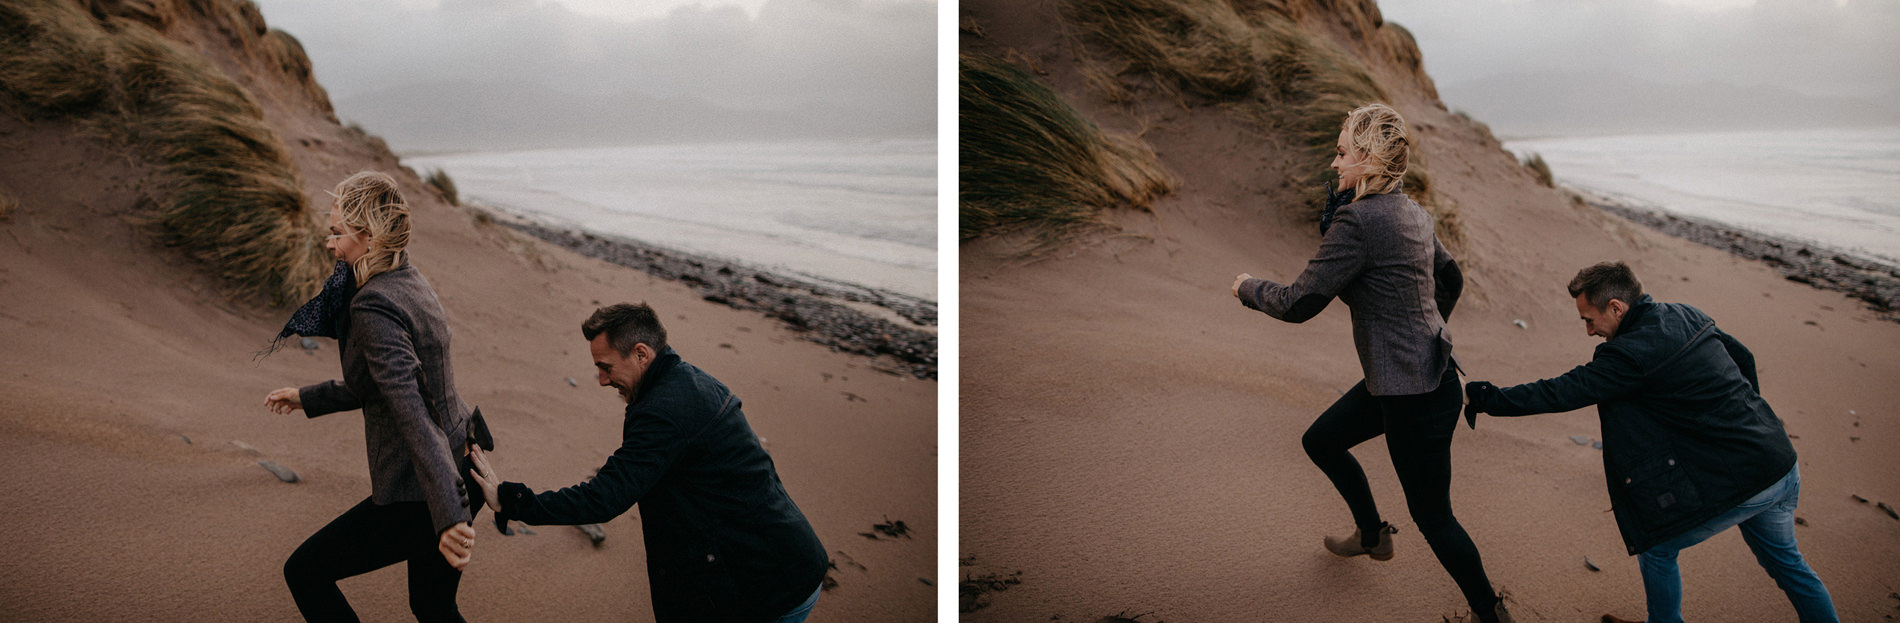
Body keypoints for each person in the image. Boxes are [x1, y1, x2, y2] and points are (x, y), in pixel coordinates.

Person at [1230, 103, 1510, 622]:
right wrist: (1420, 332)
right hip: (1417, 379)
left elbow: (1298, 303)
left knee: (1434, 517)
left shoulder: (1358, 221)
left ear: (1371, 158)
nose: (1334, 164)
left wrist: (1246, 287)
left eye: (1342, 153)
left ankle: (1491, 616)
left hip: (1414, 399)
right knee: (1321, 441)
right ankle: (1371, 535)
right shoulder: (1412, 212)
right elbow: (1451, 281)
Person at [1463, 262, 1838, 623]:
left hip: (1749, 480)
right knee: (1789, 565)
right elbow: (1744, 358)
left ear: (1616, 306)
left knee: (1657, 546)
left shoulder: (1630, 354)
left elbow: (1563, 392)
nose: (1589, 331)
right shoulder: (1685, 313)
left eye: (1589, 320)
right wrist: (1746, 421)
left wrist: (1486, 397)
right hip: (1780, 460)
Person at [467, 303, 827, 623]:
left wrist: (512, 500)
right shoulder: (688, 380)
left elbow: (603, 498)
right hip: (787, 559)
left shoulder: (663, 412)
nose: (601, 379)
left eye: (606, 367)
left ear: (641, 353)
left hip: (767, 587)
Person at [263, 171, 479, 623]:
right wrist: (309, 397)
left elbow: (412, 411)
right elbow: (383, 383)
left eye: (337, 233)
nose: (330, 243)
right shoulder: (410, 279)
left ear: (368, 237)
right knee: (433, 605)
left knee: (306, 571)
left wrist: (448, 515)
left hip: (422, 491)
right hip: (460, 465)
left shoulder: (372, 305)